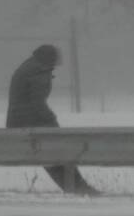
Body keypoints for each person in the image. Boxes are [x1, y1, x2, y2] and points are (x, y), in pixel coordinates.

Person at [6, 44, 99, 196]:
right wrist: (52, 120)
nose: (56, 64)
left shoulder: (30, 67)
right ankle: (78, 187)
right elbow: (37, 103)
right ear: (49, 59)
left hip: (22, 122)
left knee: (53, 156)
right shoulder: (39, 71)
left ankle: (77, 187)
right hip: (32, 123)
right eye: (55, 60)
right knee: (58, 153)